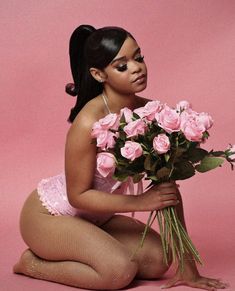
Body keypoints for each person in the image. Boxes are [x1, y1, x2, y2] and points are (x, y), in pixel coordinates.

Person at [13, 25, 228, 290]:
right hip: (51, 216)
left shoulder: (152, 114)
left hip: (99, 218)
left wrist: (188, 268)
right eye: (121, 66)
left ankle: (95, 244)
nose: (137, 68)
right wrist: (140, 201)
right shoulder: (88, 123)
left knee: (160, 261)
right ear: (98, 74)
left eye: (138, 58)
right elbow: (77, 196)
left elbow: (167, 191)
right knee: (119, 272)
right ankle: (31, 263)